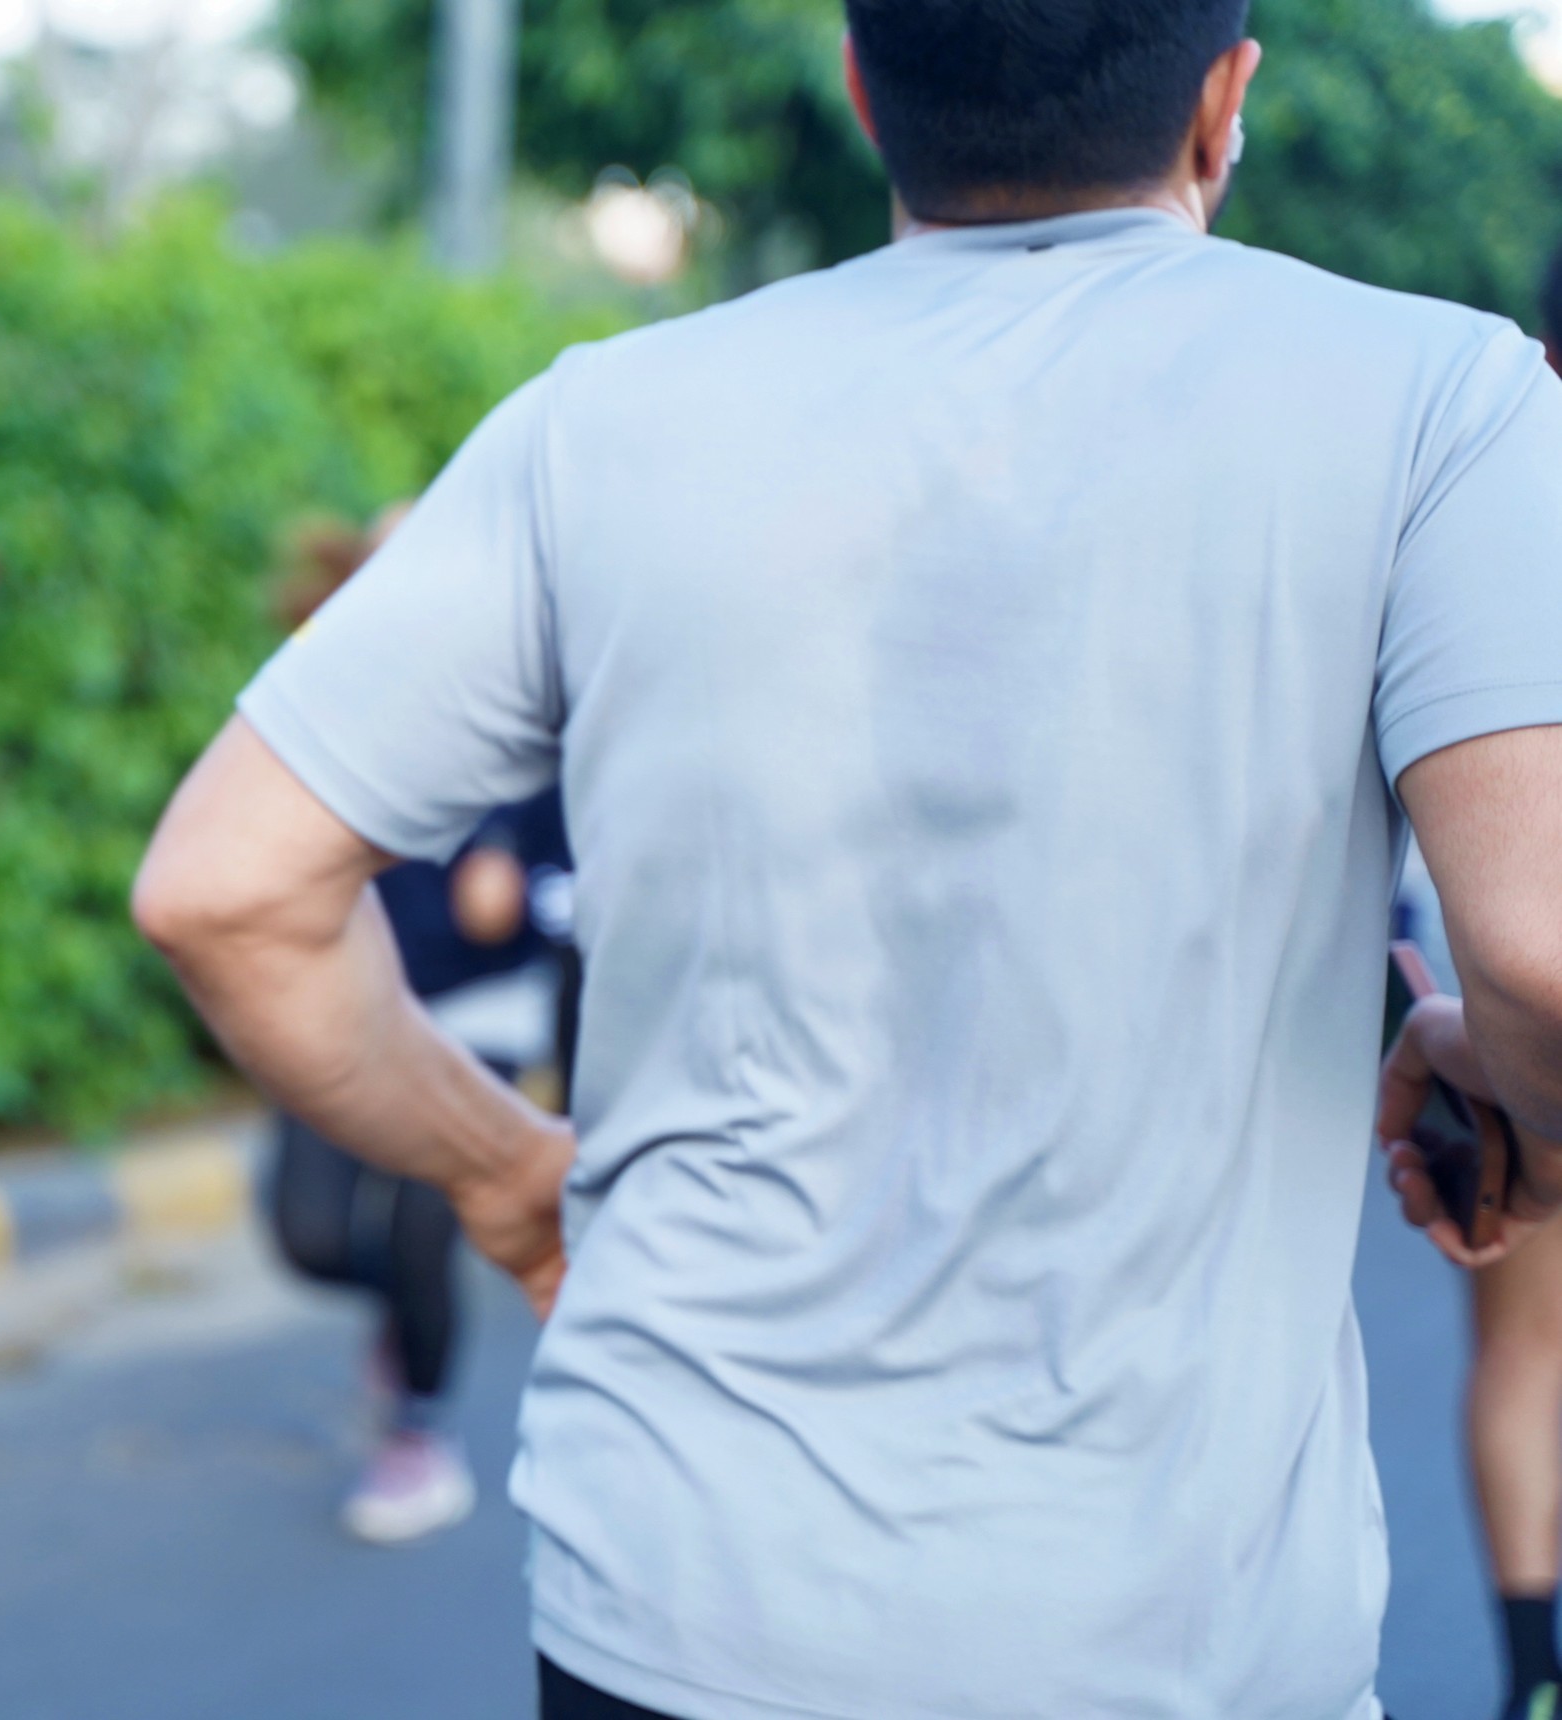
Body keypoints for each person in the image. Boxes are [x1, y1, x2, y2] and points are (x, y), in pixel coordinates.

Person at [132, 1, 1562, 1715]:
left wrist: (500, 1169)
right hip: (1180, 1648)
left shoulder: (604, 422)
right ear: (1222, 102)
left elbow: (225, 890)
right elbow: (1543, 960)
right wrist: (1522, 1107)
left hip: (676, 1612)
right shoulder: (1440, 399)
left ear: (864, 90)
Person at [263, 511, 574, 1545]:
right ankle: (402, 1319)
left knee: (419, 1229)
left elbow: (586, 881)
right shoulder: (319, 705)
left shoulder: (539, 722)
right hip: (346, 1005)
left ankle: (417, 1438)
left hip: (477, 1017)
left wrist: (520, 891)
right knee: (309, 1234)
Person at [1418, 244, 1562, 1720]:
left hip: (1507, 1007)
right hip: (1518, 999)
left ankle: (1533, 1679)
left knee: (1525, 1343)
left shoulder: (1501, 486)